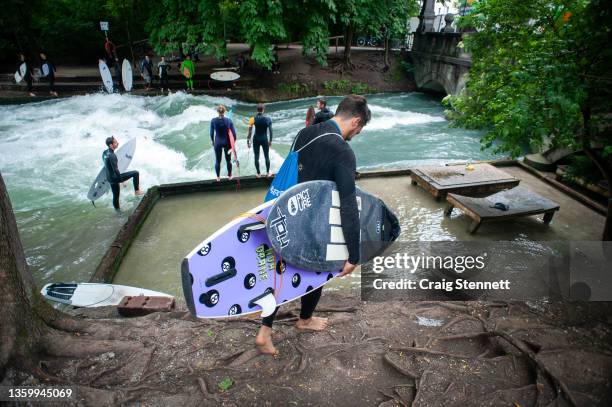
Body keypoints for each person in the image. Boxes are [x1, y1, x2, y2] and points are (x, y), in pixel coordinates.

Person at [255, 94, 371, 355]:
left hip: (282, 215)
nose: (358, 133)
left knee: (278, 274)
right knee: (318, 271)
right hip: (310, 225)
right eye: (361, 128)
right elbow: (347, 204)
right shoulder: (342, 150)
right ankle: (304, 319)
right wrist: (353, 253)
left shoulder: (304, 133)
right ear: (355, 121)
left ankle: (265, 331)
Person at [103, 136, 144, 210]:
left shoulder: (105, 153)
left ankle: (117, 211)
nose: (117, 143)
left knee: (115, 196)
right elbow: (116, 170)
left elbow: (106, 166)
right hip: (115, 178)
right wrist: (122, 181)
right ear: (111, 145)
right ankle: (137, 191)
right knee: (135, 173)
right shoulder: (112, 156)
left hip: (109, 178)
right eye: (115, 142)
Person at [210, 105, 237, 181]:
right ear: (224, 111)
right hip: (227, 143)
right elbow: (234, 134)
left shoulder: (213, 121)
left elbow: (211, 133)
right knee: (228, 160)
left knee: (218, 161)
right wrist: (233, 143)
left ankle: (218, 177)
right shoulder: (229, 121)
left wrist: (212, 141)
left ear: (217, 111)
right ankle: (230, 176)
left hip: (217, 142)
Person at [247, 104, 273, 178]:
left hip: (256, 139)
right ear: (263, 110)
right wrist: (270, 141)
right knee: (266, 156)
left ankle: (258, 174)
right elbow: (271, 131)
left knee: (256, 156)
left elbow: (249, 132)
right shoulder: (268, 119)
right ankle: (268, 173)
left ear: (257, 110)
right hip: (264, 139)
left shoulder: (252, 119)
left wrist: (248, 141)